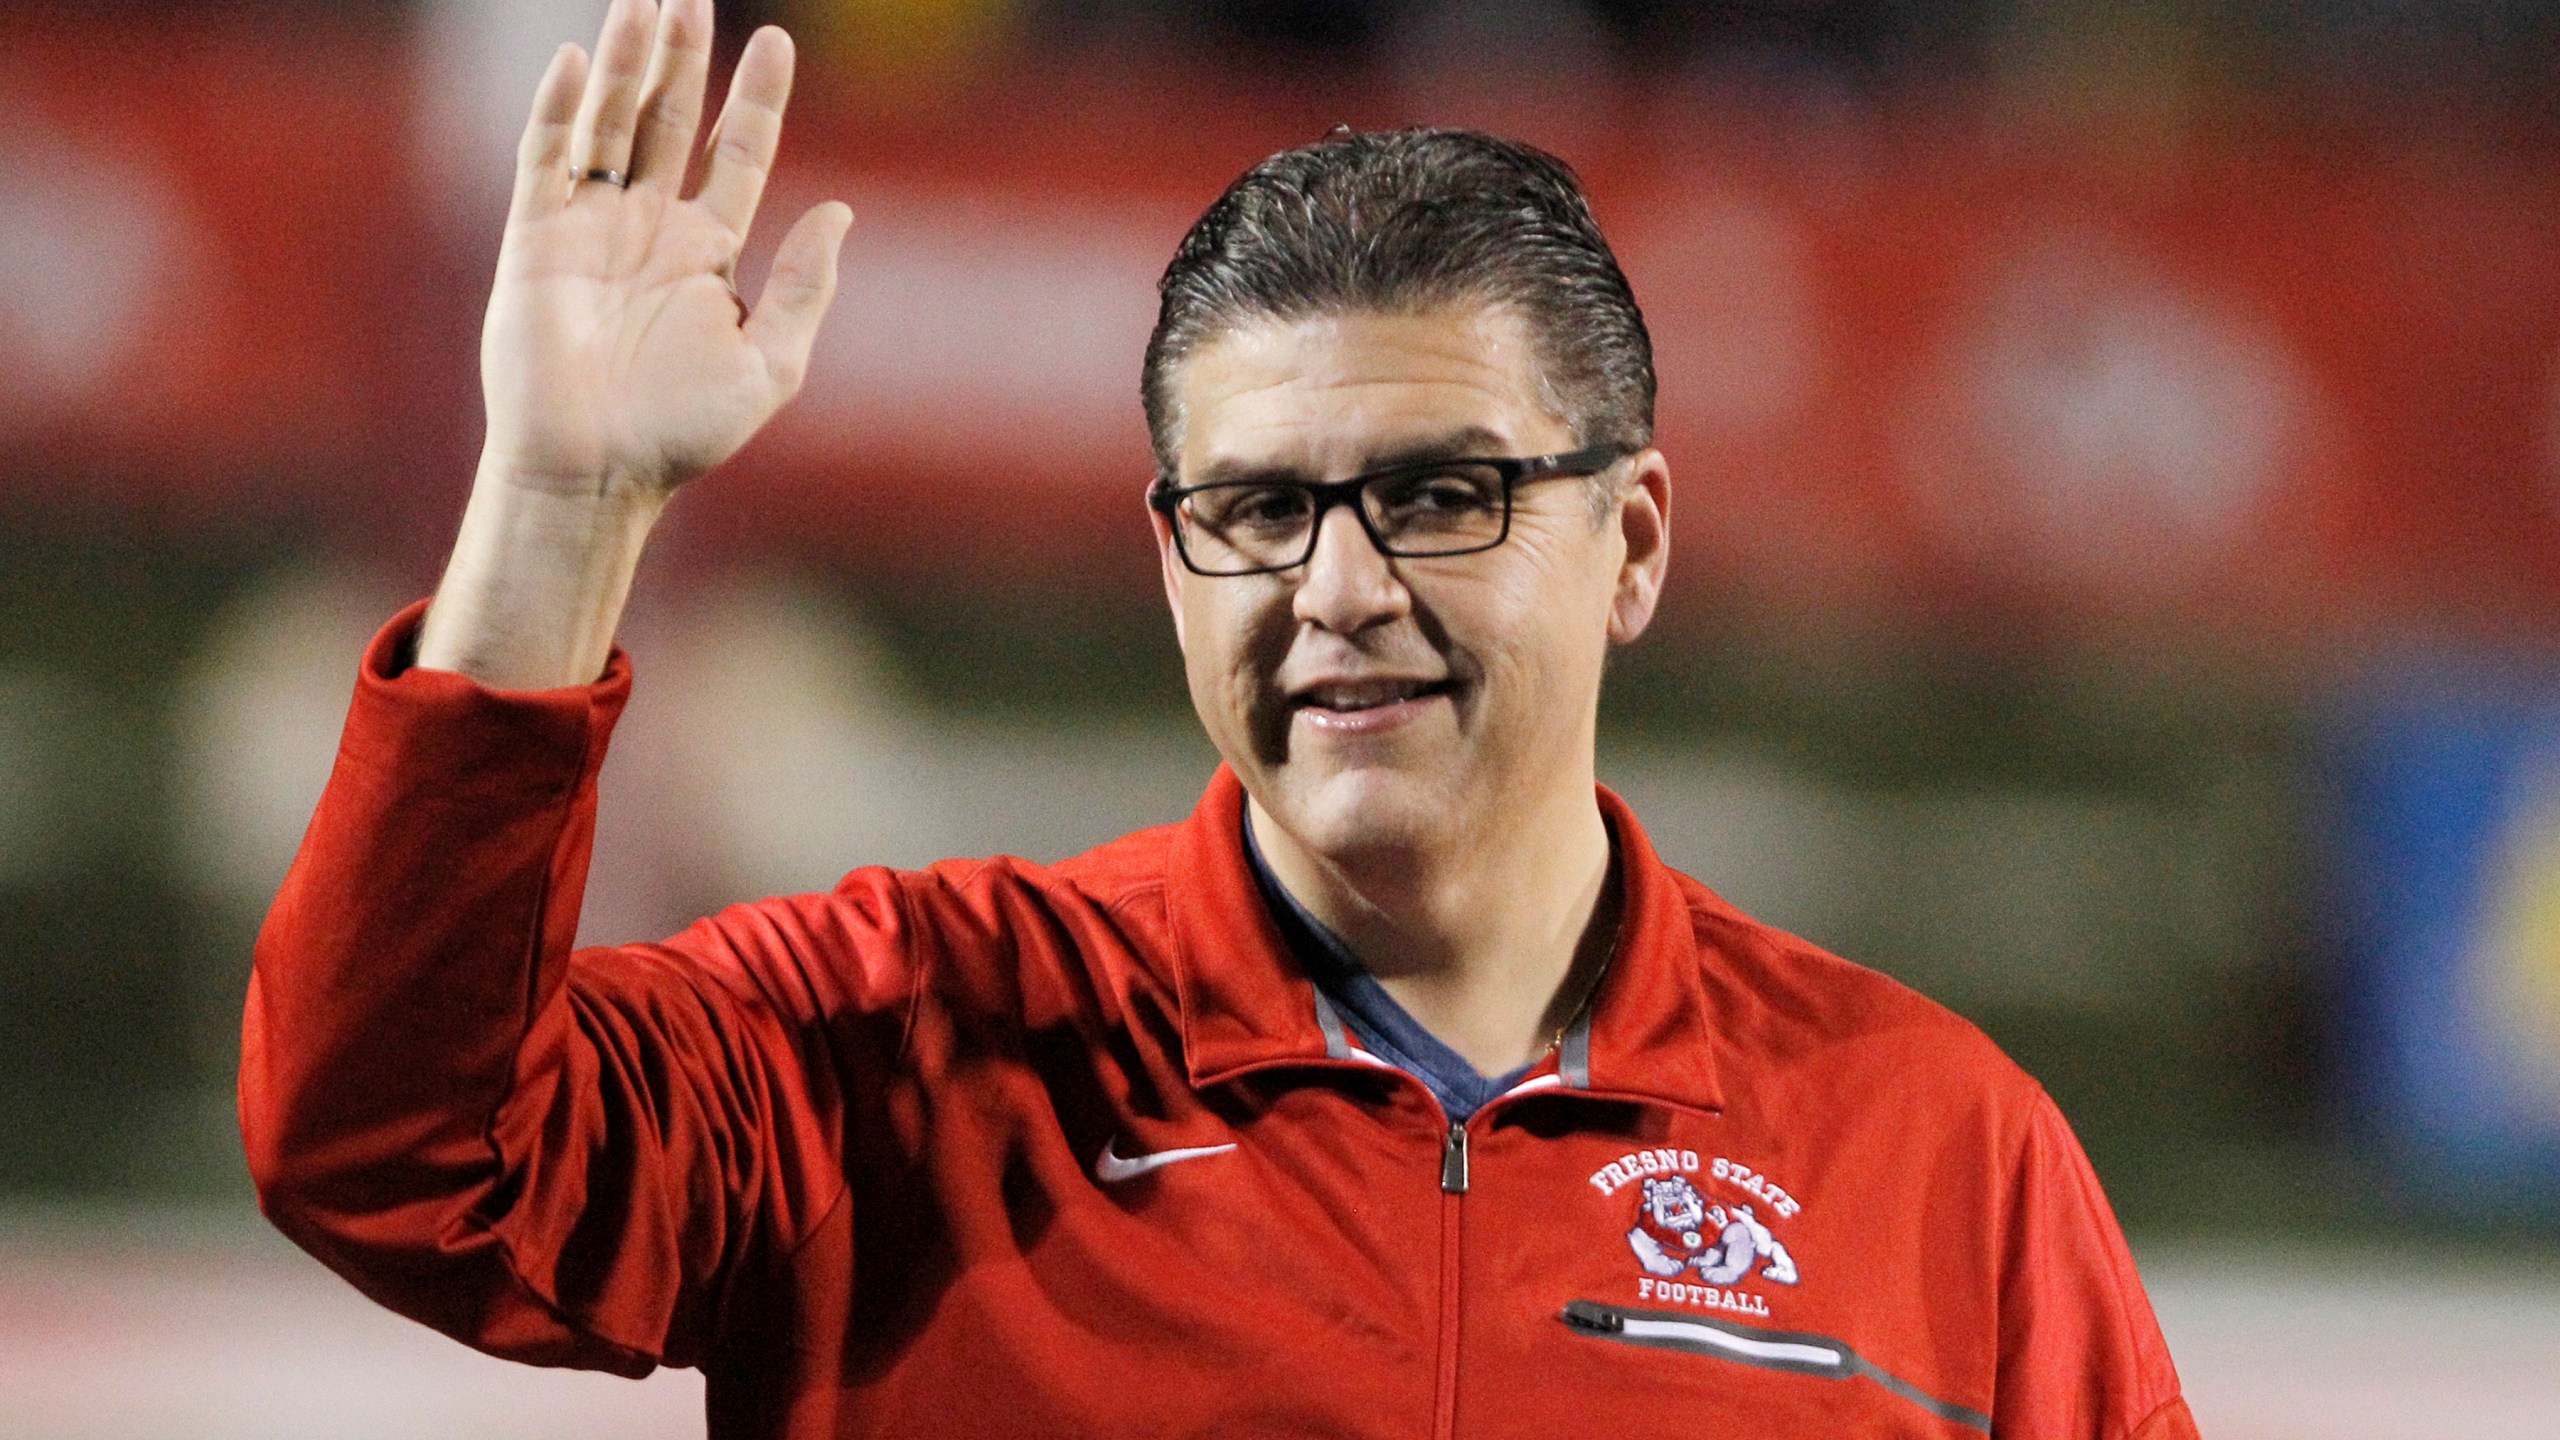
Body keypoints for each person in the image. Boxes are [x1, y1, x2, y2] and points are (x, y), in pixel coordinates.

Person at [240, 0, 2200, 1435]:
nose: (1337, 589)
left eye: (1441, 497)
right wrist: (563, 511)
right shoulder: (896, 1049)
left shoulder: (1938, 1156)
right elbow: (398, 1156)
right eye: (1257, 511)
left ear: (1631, 542)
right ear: (1174, 565)